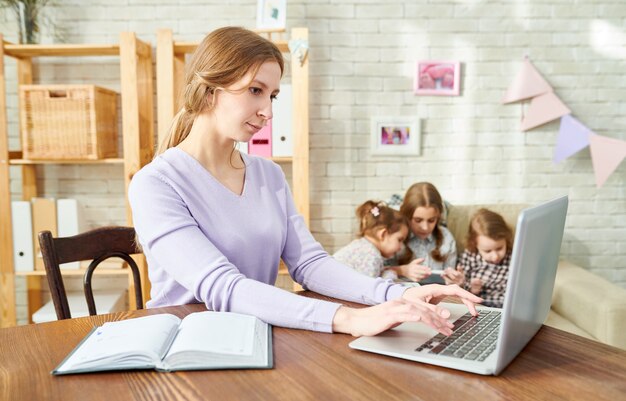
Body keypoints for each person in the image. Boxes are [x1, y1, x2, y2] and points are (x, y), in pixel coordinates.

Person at [128, 26, 481, 338]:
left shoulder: (268, 175)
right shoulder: (156, 184)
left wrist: (398, 294)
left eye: (273, 96)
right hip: (186, 344)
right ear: (209, 90)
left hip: (252, 334)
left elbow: (310, 265)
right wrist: (349, 318)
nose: (268, 111)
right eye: (255, 90)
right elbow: (224, 287)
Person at [385, 182, 457, 285]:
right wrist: (402, 270)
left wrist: (457, 281)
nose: (425, 228)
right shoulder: (394, 236)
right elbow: (376, 273)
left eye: (431, 220)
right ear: (407, 215)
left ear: (438, 217)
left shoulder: (446, 238)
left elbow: (450, 280)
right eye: (418, 220)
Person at [446, 208, 513, 308]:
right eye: (487, 251)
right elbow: (461, 293)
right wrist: (470, 288)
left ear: (506, 240)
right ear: (474, 244)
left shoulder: (513, 258)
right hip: (479, 306)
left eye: (499, 248)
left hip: (505, 306)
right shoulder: (469, 258)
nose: (495, 257)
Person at [334, 200, 408, 279]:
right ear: (383, 234)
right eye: (399, 240)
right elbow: (369, 289)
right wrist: (391, 275)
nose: (400, 247)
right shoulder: (370, 255)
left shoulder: (363, 246)